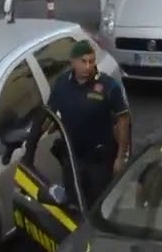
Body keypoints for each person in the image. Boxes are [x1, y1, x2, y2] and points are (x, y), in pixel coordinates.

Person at [46, 41, 131, 207]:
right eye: (83, 61)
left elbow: (123, 119)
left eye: (91, 61)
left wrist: (121, 156)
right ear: (73, 62)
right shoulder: (61, 84)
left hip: (99, 159)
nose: (88, 66)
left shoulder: (108, 86)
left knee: (99, 202)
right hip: (73, 156)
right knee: (74, 201)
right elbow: (50, 114)